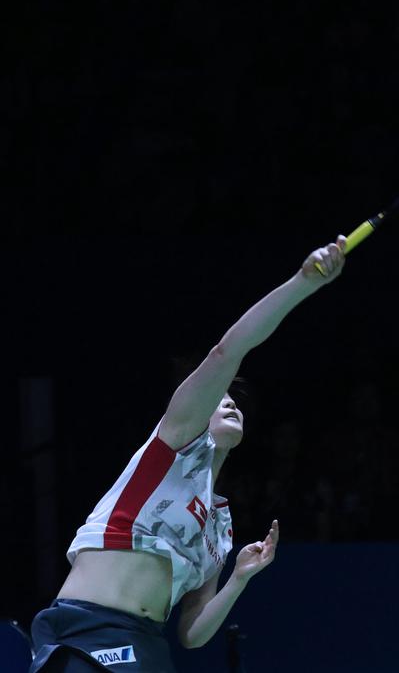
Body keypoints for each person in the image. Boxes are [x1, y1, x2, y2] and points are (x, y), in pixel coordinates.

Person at [29, 238, 347, 672]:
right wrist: (302, 284)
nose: (230, 403)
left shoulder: (220, 527)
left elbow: (191, 633)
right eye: (221, 400)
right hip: (88, 629)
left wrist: (239, 578)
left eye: (236, 403)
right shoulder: (173, 447)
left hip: (146, 643)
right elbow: (228, 351)